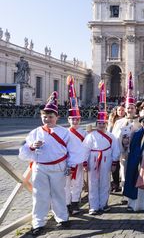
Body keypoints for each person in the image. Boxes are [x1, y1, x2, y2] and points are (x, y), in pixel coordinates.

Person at [19, 91, 85, 236]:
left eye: (50, 117)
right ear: (41, 117)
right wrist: (31, 147)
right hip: (40, 168)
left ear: (57, 117)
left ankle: (62, 217)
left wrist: (70, 165)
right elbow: (23, 151)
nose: (47, 119)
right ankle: (38, 222)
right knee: (39, 195)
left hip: (58, 167)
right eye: (45, 117)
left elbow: (75, 150)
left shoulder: (65, 133)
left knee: (59, 194)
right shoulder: (35, 132)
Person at [83, 81, 120, 215]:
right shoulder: (91, 135)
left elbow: (116, 149)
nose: (101, 125)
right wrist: (85, 162)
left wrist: (115, 162)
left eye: (103, 123)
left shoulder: (111, 136)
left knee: (105, 182)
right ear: (96, 123)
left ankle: (103, 203)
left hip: (106, 159)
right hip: (93, 159)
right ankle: (93, 205)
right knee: (93, 183)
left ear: (106, 123)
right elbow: (85, 149)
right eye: (99, 123)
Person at [111, 72, 141, 194]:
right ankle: (125, 190)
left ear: (135, 109)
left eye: (132, 108)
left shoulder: (140, 122)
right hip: (123, 152)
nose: (129, 110)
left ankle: (136, 190)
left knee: (136, 171)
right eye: (128, 108)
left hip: (136, 152)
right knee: (123, 171)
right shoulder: (119, 122)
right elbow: (114, 137)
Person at [123, 110, 144, 212]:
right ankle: (136, 205)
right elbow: (133, 149)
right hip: (139, 163)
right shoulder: (137, 134)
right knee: (137, 180)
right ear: (141, 123)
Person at [65, 76, 88, 215]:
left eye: (77, 119)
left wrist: (85, 161)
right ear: (68, 119)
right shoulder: (64, 133)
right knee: (66, 185)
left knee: (78, 183)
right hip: (67, 163)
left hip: (79, 162)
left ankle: (75, 203)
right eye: (72, 119)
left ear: (80, 119)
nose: (75, 121)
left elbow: (87, 147)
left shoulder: (84, 133)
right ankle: (67, 204)